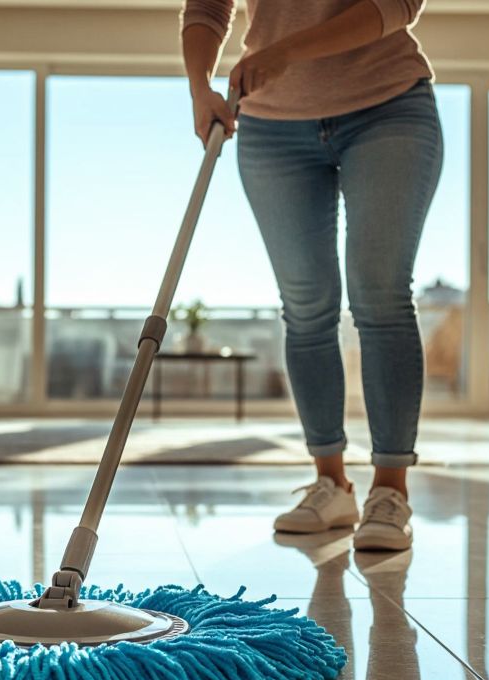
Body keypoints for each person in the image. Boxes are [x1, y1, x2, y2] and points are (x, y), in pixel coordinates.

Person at [181, 0, 439, 550]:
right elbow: (206, 7)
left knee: (380, 294)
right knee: (305, 306)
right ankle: (331, 484)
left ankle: (389, 493)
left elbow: (398, 5)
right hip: (272, 127)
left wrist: (285, 50)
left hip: (387, 105)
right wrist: (199, 85)